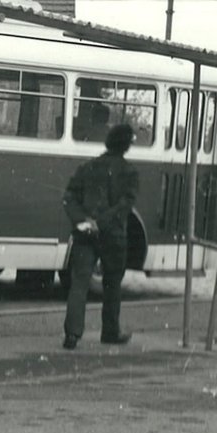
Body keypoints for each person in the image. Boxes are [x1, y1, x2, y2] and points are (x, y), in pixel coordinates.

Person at [61, 122, 138, 350]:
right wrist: (101, 222)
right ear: (126, 146)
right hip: (113, 236)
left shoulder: (88, 167)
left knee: (79, 283)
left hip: (85, 233)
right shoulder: (130, 173)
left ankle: (72, 335)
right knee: (112, 284)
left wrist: (83, 221)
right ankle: (110, 332)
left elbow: (69, 197)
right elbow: (125, 205)